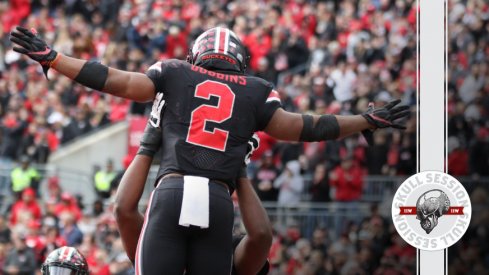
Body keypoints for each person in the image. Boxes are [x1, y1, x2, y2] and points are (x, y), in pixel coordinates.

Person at [10, 26, 409, 274]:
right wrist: (364, 120)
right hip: (219, 198)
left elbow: (117, 81)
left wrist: (56, 59)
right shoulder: (256, 90)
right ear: (240, 61)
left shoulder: (174, 71)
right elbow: (305, 127)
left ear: (196, 55)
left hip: (173, 189)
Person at [114, 116, 271, 275]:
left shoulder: (156, 242)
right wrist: (240, 171)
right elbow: (261, 235)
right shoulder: (227, 248)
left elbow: (123, 209)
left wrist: (147, 146)